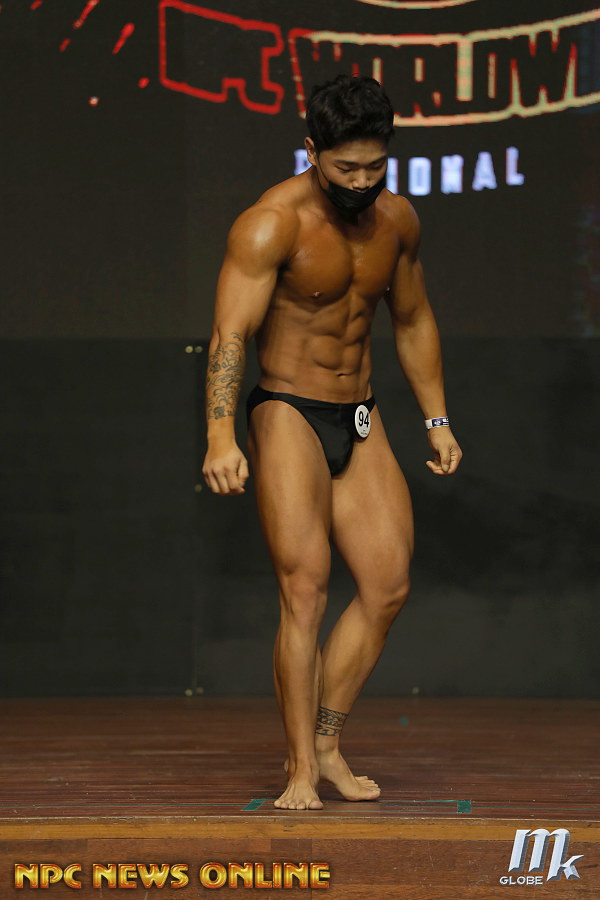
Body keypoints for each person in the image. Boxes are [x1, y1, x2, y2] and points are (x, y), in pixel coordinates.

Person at [202, 74, 462, 811]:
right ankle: (297, 771)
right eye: (345, 167)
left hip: (359, 413)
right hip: (288, 408)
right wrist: (221, 434)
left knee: (387, 585)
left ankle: (326, 741)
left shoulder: (397, 221)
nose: (360, 181)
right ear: (312, 150)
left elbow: (411, 318)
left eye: (374, 167)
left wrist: (437, 419)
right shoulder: (271, 224)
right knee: (306, 591)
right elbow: (230, 335)